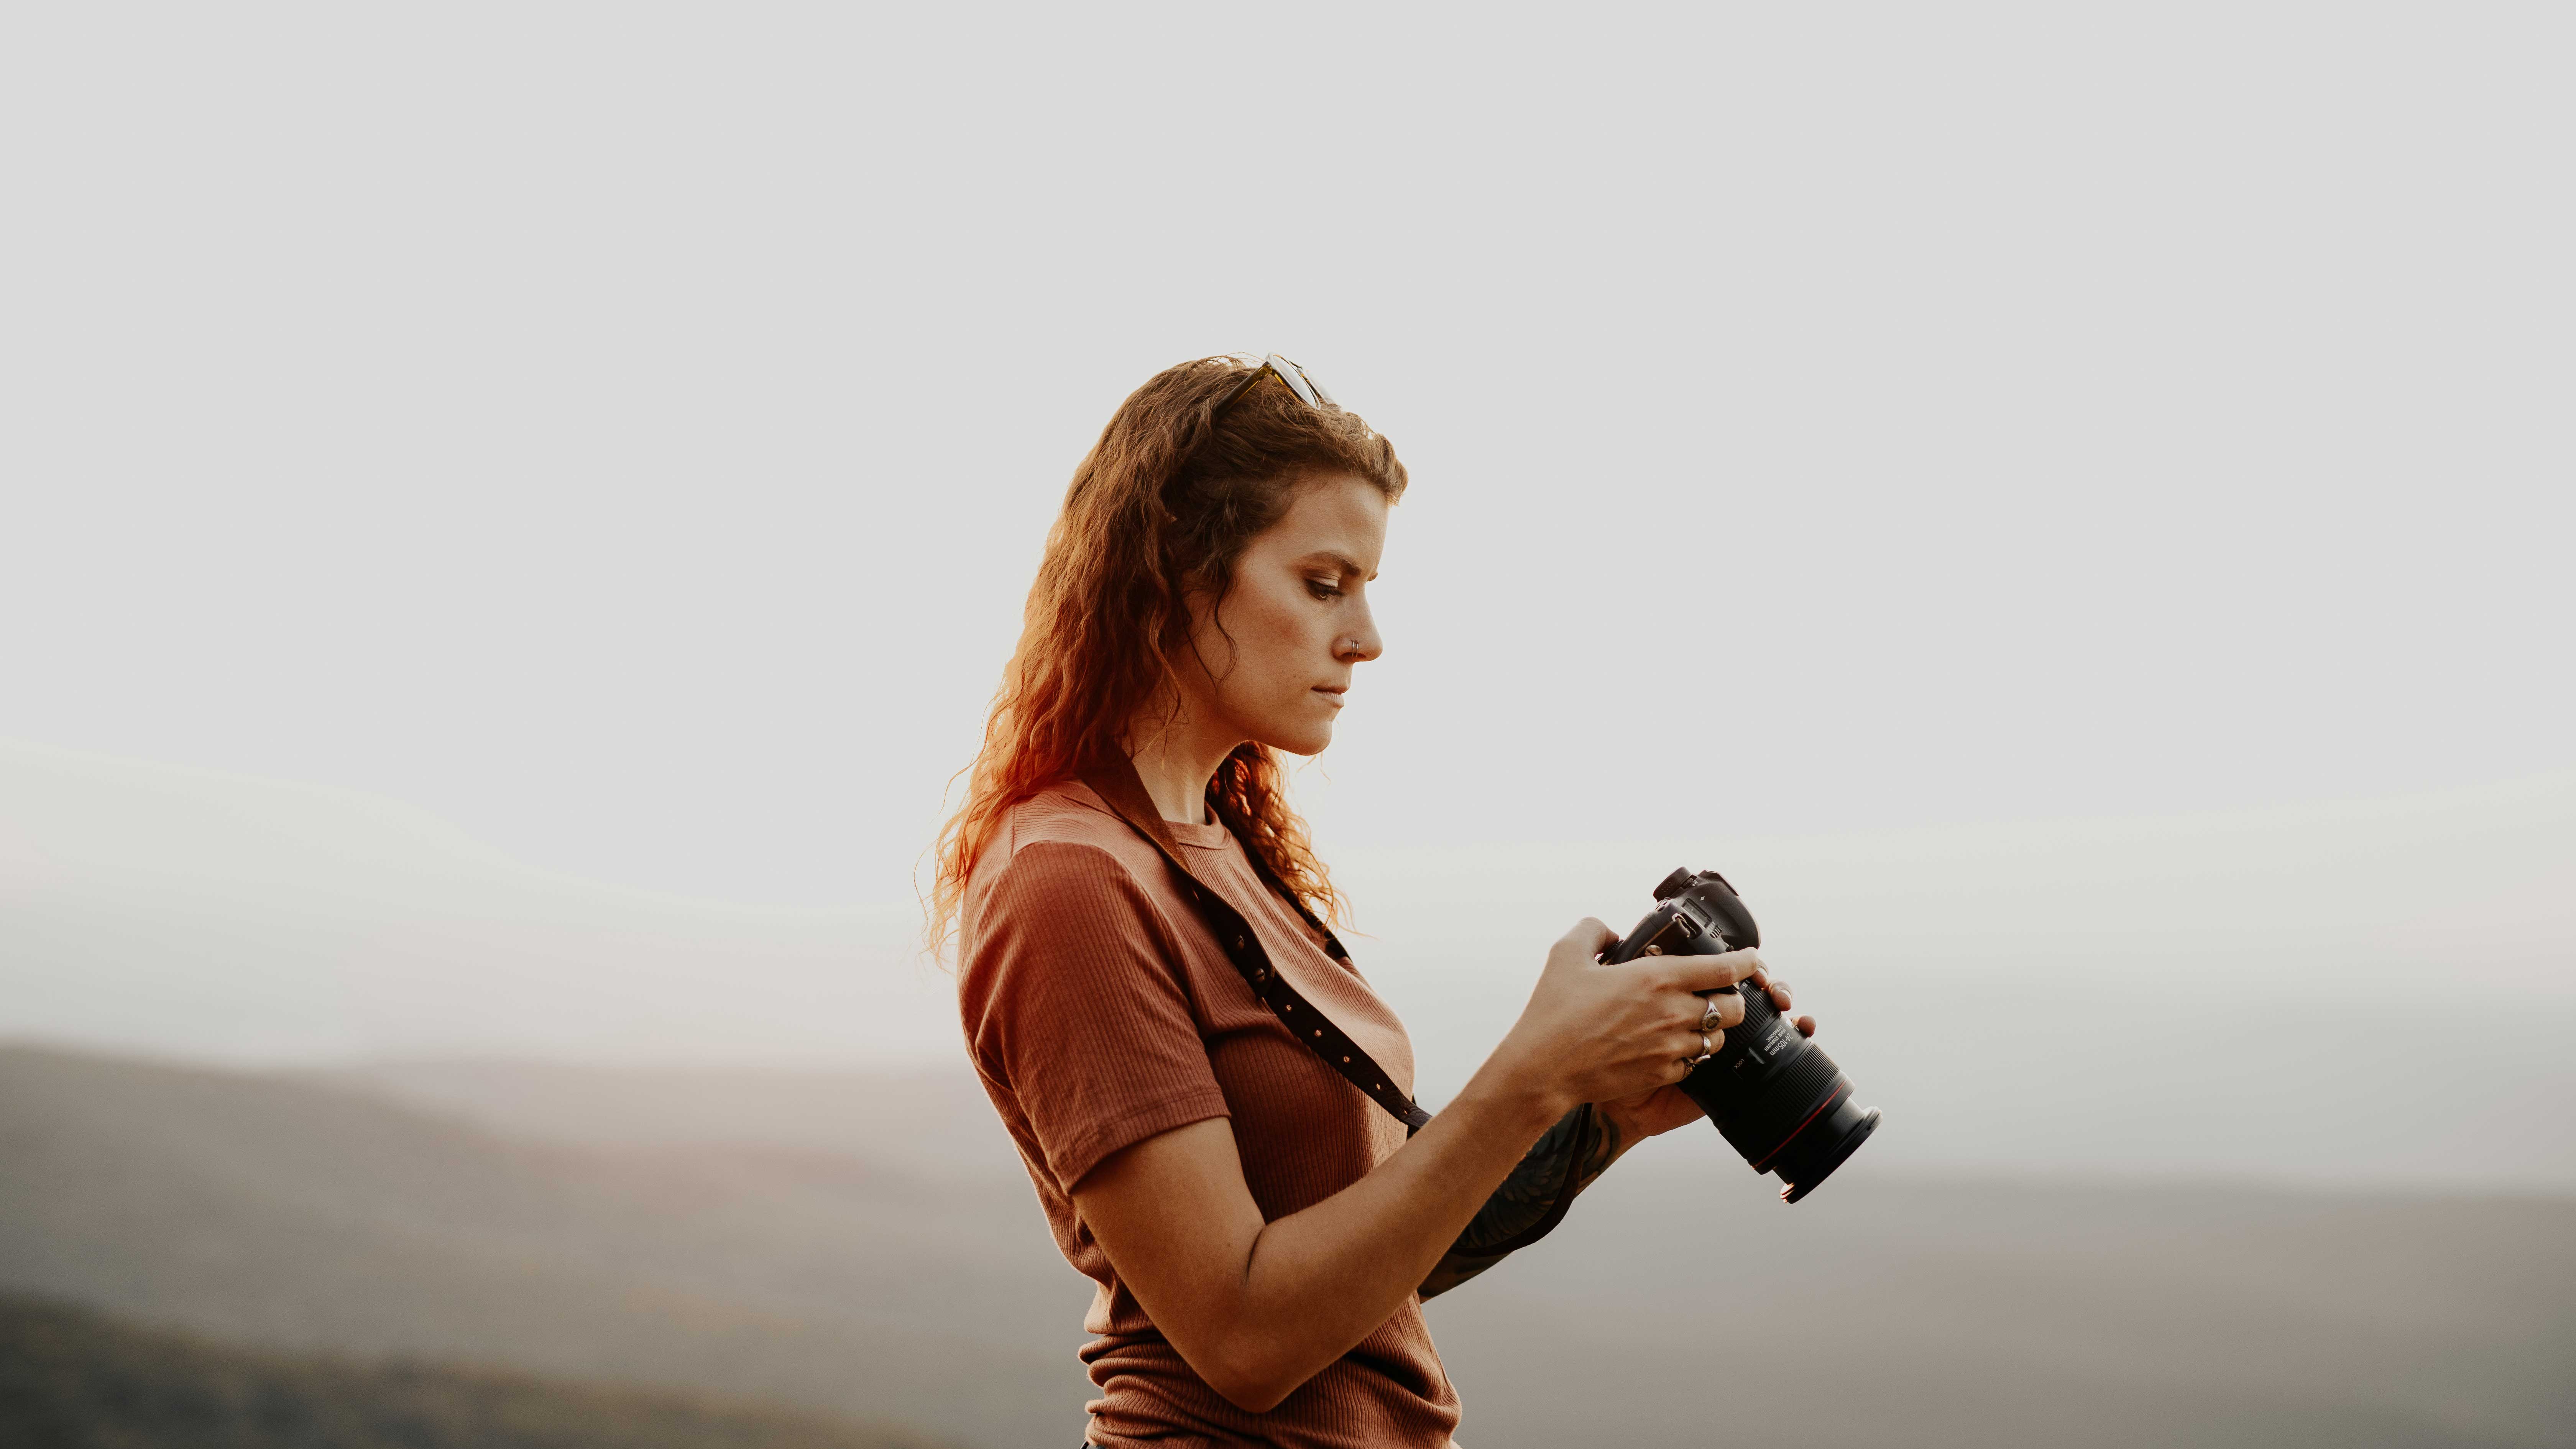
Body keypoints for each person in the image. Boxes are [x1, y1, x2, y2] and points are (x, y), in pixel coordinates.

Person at [931, 355, 1815, 1448]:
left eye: (1366, 588)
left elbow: (1371, 1266)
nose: (1365, 638)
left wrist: (1601, 1113)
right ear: (1176, 568)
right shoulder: (1068, 880)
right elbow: (1246, 1335)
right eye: (1321, 582)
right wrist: (1531, 1068)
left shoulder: (1214, 848)